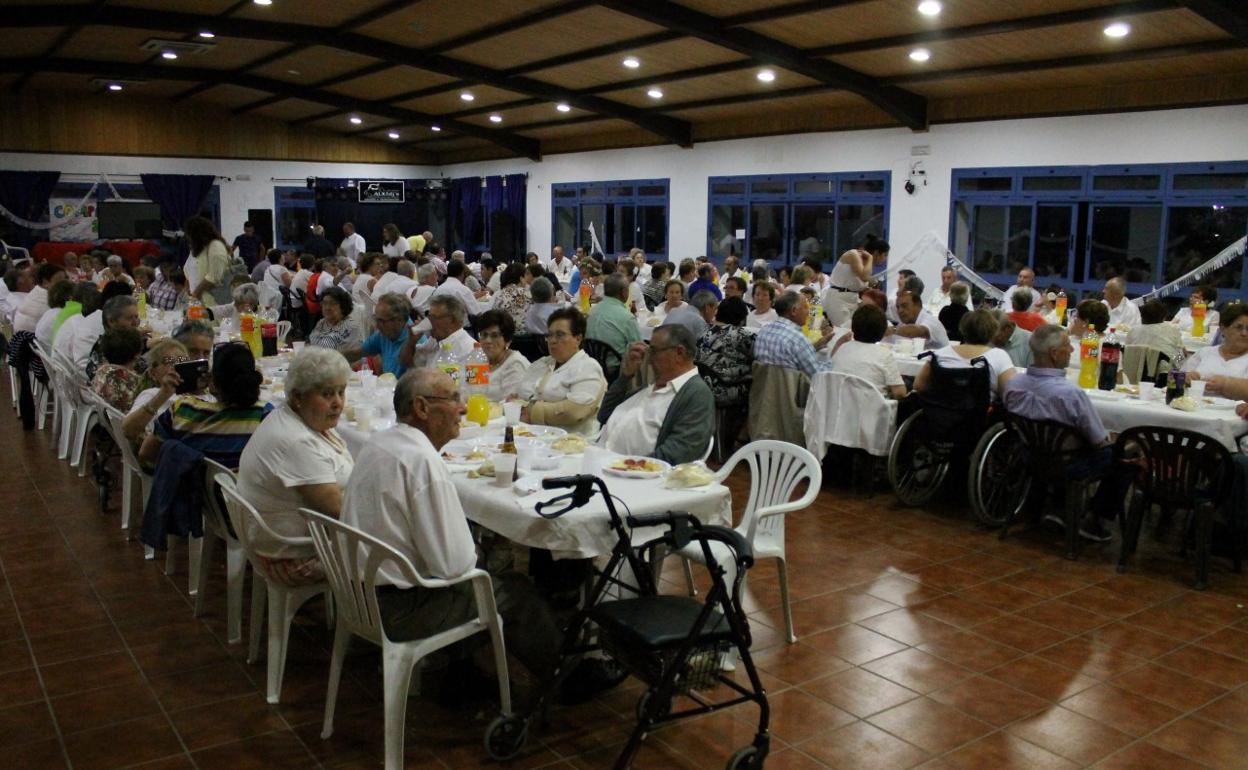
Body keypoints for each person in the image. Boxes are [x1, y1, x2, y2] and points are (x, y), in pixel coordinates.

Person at [340, 368, 565, 697]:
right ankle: (562, 683)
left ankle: (461, 674)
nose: (462, 408)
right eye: (454, 399)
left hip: (359, 596)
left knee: (490, 575)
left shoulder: (381, 442)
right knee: (518, 596)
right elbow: (454, 566)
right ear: (421, 408)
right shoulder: (420, 461)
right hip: (399, 610)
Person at [1002, 324, 1132, 542]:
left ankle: (1058, 507)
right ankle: (1095, 518)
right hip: (1070, 465)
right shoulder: (1070, 394)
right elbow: (1099, 440)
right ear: (1054, 353)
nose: (1072, 350)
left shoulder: (1014, 384)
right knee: (1126, 457)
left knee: (1063, 446)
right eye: (1067, 345)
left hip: (1029, 456)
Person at [238, 347, 353, 585]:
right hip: (293, 556)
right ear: (298, 397)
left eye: (341, 392)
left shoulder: (293, 418)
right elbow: (340, 512)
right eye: (327, 394)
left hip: (285, 539)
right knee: (401, 548)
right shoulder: (297, 442)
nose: (338, 403)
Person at [138, 343, 271, 470]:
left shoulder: (183, 409)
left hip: (192, 490)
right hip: (237, 490)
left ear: (213, 380)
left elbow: (146, 453)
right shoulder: (264, 415)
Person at [599, 324, 714, 464]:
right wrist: (625, 377)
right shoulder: (651, 386)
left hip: (631, 476)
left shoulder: (696, 394)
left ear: (679, 352)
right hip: (601, 458)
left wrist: (629, 468)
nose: (648, 357)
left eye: (653, 351)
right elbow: (604, 415)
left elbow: (680, 452)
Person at [516, 308, 607, 436]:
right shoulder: (542, 363)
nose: (552, 340)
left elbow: (574, 411)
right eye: (550, 335)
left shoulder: (588, 367)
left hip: (570, 442)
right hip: (530, 435)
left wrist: (532, 411)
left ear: (578, 339)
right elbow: (518, 394)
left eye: (560, 335)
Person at [914, 309, 1017, 398]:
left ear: (962, 329)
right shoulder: (999, 356)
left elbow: (918, 386)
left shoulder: (940, 355)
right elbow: (1010, 392)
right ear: (992, 331)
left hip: (940, 416)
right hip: (979, 417)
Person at [826, 303, 907, 400]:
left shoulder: (842, 349)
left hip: (839, 410)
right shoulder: (884, 355)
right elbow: (900, 393)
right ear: (882, 331)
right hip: (872, 412)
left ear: (853, 327)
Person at [753, 290, 837, 377]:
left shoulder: (763, 332)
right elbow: (818, 375)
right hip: (791, 390)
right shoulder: (798, 339)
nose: (809, 311)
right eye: (805, 307)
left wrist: (816, 345)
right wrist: (834, 354)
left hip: (764, 388)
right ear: (793, 311)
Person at [695, 296, 754, 406]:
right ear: (742, 319)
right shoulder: (740, 335)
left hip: (700, 388)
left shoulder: (705, 333)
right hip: (723, 392)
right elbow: (759, 353)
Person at [823, 234, 889, 327]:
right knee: (843, 331)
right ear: (877, 253)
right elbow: (864, 276)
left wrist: (873, 283)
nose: (885, 259)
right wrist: (870, 258)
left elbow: (865, 281)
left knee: (855, 330)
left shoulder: (868, 264)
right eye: (885, 255)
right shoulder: (853, 254)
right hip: (838, 298)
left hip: (852, 299)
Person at [345, 292, 413, 377]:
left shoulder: (415, 338)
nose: (377, 325)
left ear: (399, 320)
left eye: (382, 321)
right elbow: (356, 354)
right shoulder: (383, 334)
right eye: (376, 320)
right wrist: (329, 356)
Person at [404, 295, 476, 370]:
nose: (430, 322)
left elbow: (474, 381)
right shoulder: (434, 341)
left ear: (451, 320)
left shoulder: (470, 350)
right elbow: (407, 362)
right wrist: (411, 342)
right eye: (429, 317)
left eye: (434, 318)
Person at [1183, 303, 1248, 384]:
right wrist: (1186, 377)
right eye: (1239, 327)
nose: (1244, 333)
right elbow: (1176, 378)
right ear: (1223, 328)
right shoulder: (1204, 352)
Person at [85, 293, 142, 380]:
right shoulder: (116, 349)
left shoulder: (104, 341)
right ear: (111, 321)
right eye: (129, 318)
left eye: (136, 317)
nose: (136, 323)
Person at [475, 309, 529, 401]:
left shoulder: (515, 364)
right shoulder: (478, 360)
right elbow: (468, 392)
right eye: (484, 335)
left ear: (507, 341)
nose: (488, 340)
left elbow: (510, 403)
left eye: (495, 335)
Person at [586, 273, 641, 358]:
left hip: (592, 362)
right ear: (623, 292)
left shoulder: (592, 311)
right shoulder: (627, 318)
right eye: (627, 289)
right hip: (616, 367)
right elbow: (639, 348)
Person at [91, 327, 146, 412]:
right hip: (124, 422)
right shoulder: (134, 381)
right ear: (137, 355)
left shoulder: (102, 370)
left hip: (99, 417)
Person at [185, 216, 232, 305]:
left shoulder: (216, 246)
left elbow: (213, 277)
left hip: (213, 301)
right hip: (197, 300)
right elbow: (188, 272)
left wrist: (195, 294)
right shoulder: (199, 249)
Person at [15, 262, 66, 334]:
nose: (66, 284)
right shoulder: (51, 301)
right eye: (60, 281)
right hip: (33, 342)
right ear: (45, 282)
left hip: (23, 340)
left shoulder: (34, 293)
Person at [308, 286, 361, 352]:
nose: (327, 307)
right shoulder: (322, 322)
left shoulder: (350, 327)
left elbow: (347, 356)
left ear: (343, 306)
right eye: (324, 303)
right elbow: (311, 343)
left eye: (332, 303)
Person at [34, 280, 73, 351]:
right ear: (70, 298)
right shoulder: (65, 317)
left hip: (47, 356)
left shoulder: (48, 313)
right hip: (58, 357)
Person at [491, 263, 530, 330]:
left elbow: (493, 317)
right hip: (527, 337)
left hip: (505, 336)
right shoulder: (529, 294)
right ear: (521, 278)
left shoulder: (499, 294)